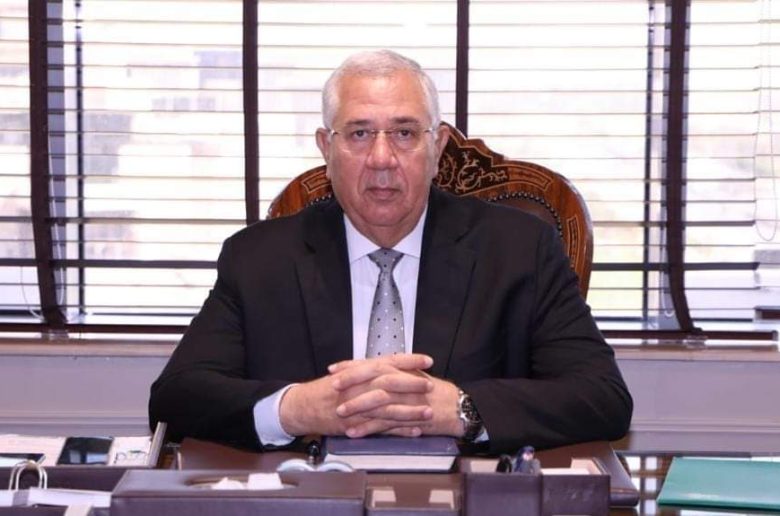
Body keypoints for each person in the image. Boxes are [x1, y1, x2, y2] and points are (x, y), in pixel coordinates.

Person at [149, 50, 633, 454]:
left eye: (404, 133)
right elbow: (176, 398)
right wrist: (297, 408)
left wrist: (461, 409)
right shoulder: (259, 258)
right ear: (327, 148)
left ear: (437, 146)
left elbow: (603, 398)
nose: (382, 159)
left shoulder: (520, 250)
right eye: (359, 133)